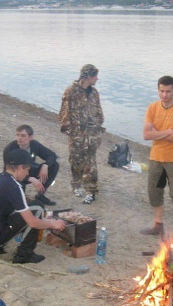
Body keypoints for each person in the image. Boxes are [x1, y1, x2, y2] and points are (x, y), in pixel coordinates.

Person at [0, 149, 66, 264]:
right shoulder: (14, 186)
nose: (27, 174)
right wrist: (52, 223)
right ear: (20, 167)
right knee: (38, 207)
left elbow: (18, 204)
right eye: (27, 170)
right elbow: (32, 222)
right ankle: (24, 255)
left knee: (33, 207)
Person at [139, 76, 173, 241]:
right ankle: (158, 225)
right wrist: (169, 131)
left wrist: (157, 133)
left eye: (168, 91)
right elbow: (146, 135)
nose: (164, 95)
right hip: (156, 158)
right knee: (154, 192)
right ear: (158, 90)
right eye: (161, 91)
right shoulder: (152, 108)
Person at [58, 64, 104, 204]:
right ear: (88, 76)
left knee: (90, 163)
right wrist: (71, 131)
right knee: (75, 160)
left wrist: (97, 125)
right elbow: (64, 113)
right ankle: (76, 185)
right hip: (76, 135)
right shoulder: (71, 92)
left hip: (91, 136)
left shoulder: (94, 93)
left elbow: (99, 113)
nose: (97, 78)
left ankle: (91, 191)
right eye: (95, 76)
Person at [3, 124, 59, 206]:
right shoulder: (10, 149)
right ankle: (19, 200)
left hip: (29, 169)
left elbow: (52, 155)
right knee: (20, 186)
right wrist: (30, 178)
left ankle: (40, 194)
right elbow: (8, 171)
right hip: (15, 175)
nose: (19, 138)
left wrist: (46, 165)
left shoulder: (34, 145)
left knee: (54, 165)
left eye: (23, 136)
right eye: (18, 135)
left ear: (30, 137)